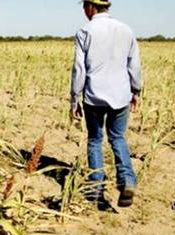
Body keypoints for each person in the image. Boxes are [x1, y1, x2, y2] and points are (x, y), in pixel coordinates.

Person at [70, 0, 142, 208]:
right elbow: (134, 65)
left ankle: (96, 188)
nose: (84, 10)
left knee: (94, 140)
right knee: (117, 138)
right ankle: (127, 180)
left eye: (84, 5)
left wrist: (74, 99)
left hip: (94, 97)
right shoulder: (125, 30)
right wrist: (136, 91)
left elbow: (79, 70)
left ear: (91, 7)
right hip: (120, 96)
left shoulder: (84, 31)